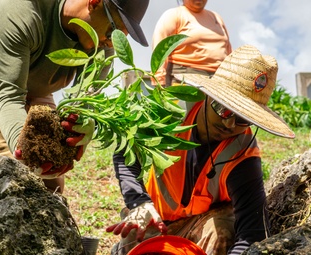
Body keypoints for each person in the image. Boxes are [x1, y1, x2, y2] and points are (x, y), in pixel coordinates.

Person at [106, 45, 295, 255]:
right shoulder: (171, 111)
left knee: (223, 228)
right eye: (222, 109)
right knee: (135, 231)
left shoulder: (243, 154)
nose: (230, 124)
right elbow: (126, 150)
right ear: (208, 95)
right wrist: (139, 203)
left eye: (242, 119)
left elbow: (252, 234)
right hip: (155, 221)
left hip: (202, 230)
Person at [0, 0, 149, 193]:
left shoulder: (103, 46)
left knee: (51, 182)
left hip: (35, 84)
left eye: (119, 38)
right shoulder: (21, 9)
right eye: (111, 32)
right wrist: (25, 150)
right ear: (94, 3)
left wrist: (82, 126)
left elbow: (83, 102)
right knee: (12, 172)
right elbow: (9, 96)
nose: (110, 42)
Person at [152, 0, 232, 86]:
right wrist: (159, 81)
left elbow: (229, 51)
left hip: (218, 82)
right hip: (184, 79)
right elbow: (159, 49)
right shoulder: (174, 15)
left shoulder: (216, 17)